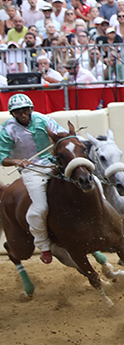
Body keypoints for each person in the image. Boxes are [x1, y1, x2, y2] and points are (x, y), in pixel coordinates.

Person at [0, 94, 67, 264]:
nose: (23, 114)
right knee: (41, 208)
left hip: (53, 164)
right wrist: (16, 161)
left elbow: (61, 135)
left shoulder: (43, 119)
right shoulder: (6, 130)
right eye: (18, 112)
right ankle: (44, 246)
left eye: (25, 110)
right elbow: (2, 157)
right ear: (12, 114)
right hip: (32, 170)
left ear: (31, 109)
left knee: (85, 181)